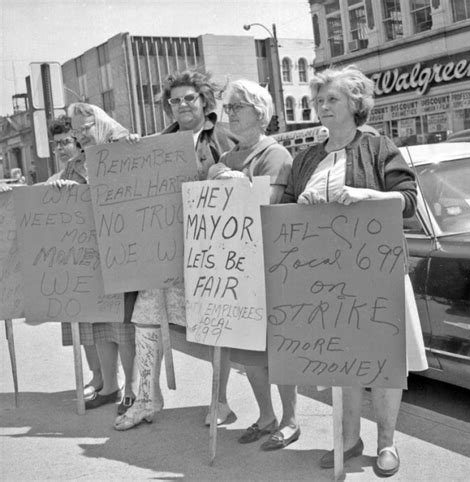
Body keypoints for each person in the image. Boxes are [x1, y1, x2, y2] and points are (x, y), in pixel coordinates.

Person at [281, 65, 428, 476]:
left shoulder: (380, 147)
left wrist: (365, 194)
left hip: (376, 271)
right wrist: (300, 206)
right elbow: (286, 210)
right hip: (325, 277)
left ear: (355, 104)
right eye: (319, 100)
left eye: (332, 99)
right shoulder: (307, 156)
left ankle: (387, 443)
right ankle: (348, 439)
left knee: (382, 363)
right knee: (340, 362)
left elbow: (409, 201)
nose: (323, 107)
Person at [114, 70, 236, 431]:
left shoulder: (225, 137)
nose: (182, 105)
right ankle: (147, 401)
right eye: (175, 100)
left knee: (216, 327)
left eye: (189, 98)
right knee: (146, 321)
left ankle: (221, 402)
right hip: (162, 251)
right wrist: (130, 150)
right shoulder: (157, 143)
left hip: (210, 251)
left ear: (203, 100)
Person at [208, 79, 299, 451]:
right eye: (228, 108)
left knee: (279, 348)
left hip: (270, 266)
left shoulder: (275, 155)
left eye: (237, 107)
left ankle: (291, 417)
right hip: (237, 269)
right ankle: (265, 415)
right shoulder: (224, 160)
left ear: (260, 114)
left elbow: (270, 204)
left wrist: (236, 183)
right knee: (248, 350)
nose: (229, 114)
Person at [64, 102, 138, 415]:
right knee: (100, 325)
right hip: (89, 256)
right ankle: (109, 387)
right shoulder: (76, 164)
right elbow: (59, 199)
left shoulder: (126, 149)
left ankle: (134, 391)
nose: (81, 135)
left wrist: (138, 149)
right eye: (76, 130)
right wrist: (59, 187)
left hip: (123, 252)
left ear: (102, 123)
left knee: (123, 328)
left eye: (86, 127)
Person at [46, 116, 103, 398]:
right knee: (82, 320)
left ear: (78, 140)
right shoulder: (66, 171)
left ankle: (111, 380)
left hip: (101, 253)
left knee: (105, 323)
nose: (60, 148)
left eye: (65, 142)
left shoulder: (94, 161)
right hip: (76, 254)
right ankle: (97, 375)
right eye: (55, 144)